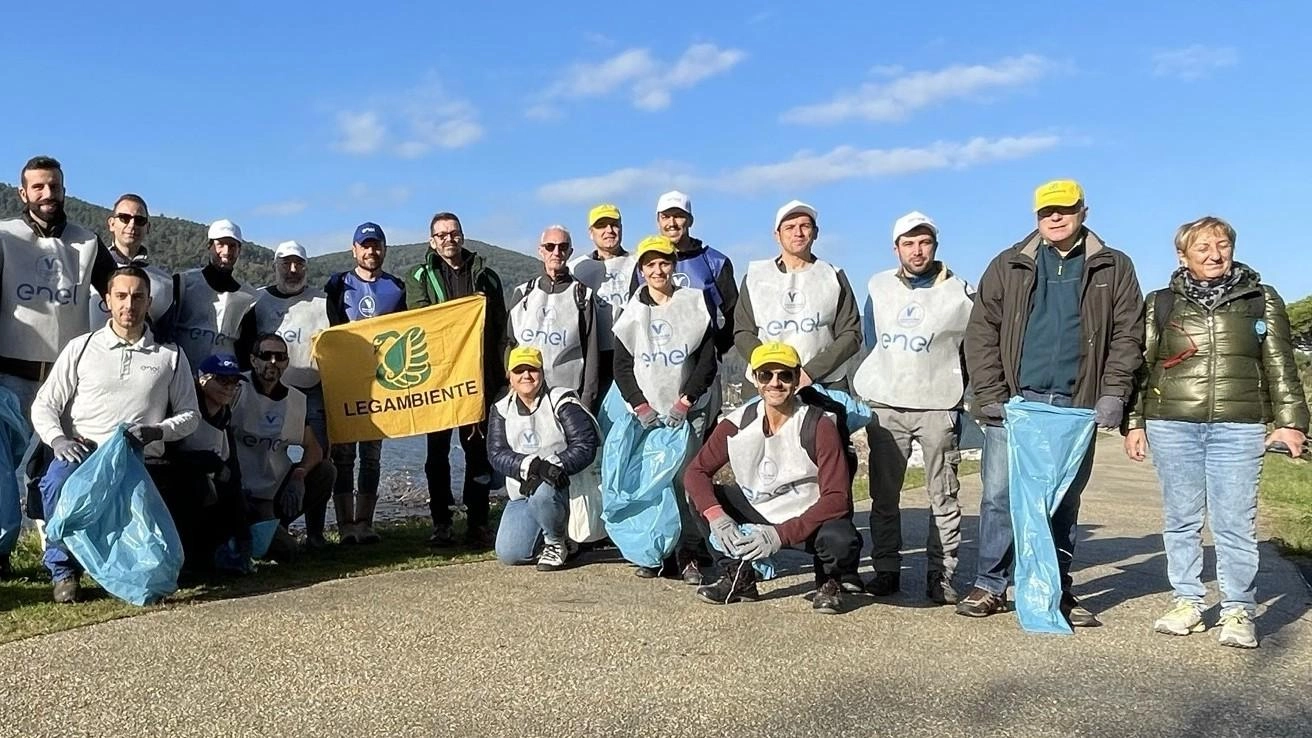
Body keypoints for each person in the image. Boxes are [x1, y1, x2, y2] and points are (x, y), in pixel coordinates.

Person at [961, 179, 1143, 626]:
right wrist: (989, 394)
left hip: (1076, 405)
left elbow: (1128, 335)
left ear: (1084, 210)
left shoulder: (1113, 266)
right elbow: (981, 332)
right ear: (1036, 217)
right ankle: (990, 584)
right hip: (1016, 403)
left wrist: (1114, 394)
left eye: (1064, 209)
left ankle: (1057, 589)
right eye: (1046, 212)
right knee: (1000, 496)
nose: (1055, 218)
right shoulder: (1009, 264)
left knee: (1062, 499)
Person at [1124, 216, 1308, 649]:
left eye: (1221, 244)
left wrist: (1292, 423)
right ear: (1182, 255)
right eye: (1202, 247)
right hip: (1172, 421)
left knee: (1235, 522)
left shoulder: (1260, 299)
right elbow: (1142, 364)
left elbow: (1280, 363)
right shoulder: (1161, 302)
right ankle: (1187, 601)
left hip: (1239, 425)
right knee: (1181, 519)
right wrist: (1134, 422)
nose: (1214, 254)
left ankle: (1238, 610)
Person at [30, 266, 200, 602]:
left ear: (149, 301)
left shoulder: (170, 355)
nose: (129, 304)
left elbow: (191, 416)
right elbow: (44, 404)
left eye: (138, 296)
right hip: (86, 453)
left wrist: (158, 431)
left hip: (138, 458)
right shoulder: (82, 348)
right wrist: (58, 440)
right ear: (107, 300)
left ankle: (137, 573)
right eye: (121, 296)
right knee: (54, 483)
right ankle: (64, 572)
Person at [0, 156, 117, 577]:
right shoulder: (4, 237)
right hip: (10, 378)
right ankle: (1, 554)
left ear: (64, 188)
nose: (47, 195)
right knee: (0, 475)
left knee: (62, 471)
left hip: (68, 384)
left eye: (54, 186)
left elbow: (118, 292)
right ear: (23, 193)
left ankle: (65, 557)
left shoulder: (87, 243)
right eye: (38, 188)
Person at [851, 211, 975, 604]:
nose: (917, 250)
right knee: (884, 496)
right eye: (909, 243)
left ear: (935, 246)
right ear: (896, 248)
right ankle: (886, 569)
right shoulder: (879, 287)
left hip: (939, 405)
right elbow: (873, 340)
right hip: (888, 403)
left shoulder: (960, 291)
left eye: (924, 243)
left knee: (943, 495)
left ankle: (941, 574)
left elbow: (970, 348)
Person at [683, 342, 861, 614]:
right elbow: (696, 472)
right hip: (759, 507)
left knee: (841, 539)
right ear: (755, 379)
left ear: (796, 377)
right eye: (766, 375)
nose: (775, 383)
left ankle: (828, 581)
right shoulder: (738, 421)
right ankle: (738, 576)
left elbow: (837, 498)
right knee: (700, 496)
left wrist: (780, 535)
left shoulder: (819, 425)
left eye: (784, 375)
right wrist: (717, 517)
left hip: (805, 514)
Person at [612, 235, 718, 581]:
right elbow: (622, 365)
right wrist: (639, 405)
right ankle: (655, 551)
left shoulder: (693, 302)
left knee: (685, 481)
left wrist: (686, 400)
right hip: (647, 415)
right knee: (651, 483)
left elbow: (706, 360)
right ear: (641, 270)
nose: (658, 270)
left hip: (686, 410)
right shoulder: (632, 311)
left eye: (664, 263)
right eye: (650, 264)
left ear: (673, 265)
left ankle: (688, 552)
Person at [406, 211, 508, 549]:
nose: (449, 239)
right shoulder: (419, 276)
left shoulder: (487, 277)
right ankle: (441, 522)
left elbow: (500, 330)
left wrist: (502, 376)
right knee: (436, 454)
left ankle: (478, 522)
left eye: (454, 233)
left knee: (477, 453)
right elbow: (421, 322)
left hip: (478, 380)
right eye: (442, 235)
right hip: (437, 382)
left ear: (462, 236)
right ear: (432, 241)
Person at [324, 222, 406, 544]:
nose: (371, 251)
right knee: (343, 456)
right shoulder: (337, 284)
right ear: (354, 249)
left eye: (376, 245)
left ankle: (365, 524)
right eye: (365, 245)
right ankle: (345, 527)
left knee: (371, 457)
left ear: (384, 248)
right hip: (344, 383)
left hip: (380, 385)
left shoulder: (396, 288)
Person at [487, 347, 600, 570]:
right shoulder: (501, 409)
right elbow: (496, 453)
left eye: (532, 369)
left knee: (544, 493)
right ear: (510, 375)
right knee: (511, 553)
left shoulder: (562, 400)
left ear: (542, 372)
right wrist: (534, 466)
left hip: (564, 485)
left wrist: (555, 466)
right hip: (523, 490)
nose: (526, 376)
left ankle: (556, 542)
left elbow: (586, 444)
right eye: (519, 370)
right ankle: (565, 537)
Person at [734, 200, 861, 391]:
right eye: (790, 227)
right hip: (768, 383)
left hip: (825, 383)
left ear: (815, 233)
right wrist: (771, 368)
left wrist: (810, 372)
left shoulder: (833, 276)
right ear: (777, 235)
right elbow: (743, 332)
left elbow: (851, 334)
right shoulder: (755, 277)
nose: (798, 233)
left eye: (805, 226)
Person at [636, 191, 738, 430]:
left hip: (700, 372)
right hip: (657, 368)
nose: (672, 223)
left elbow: (735, 314)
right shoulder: (643, 264)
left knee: (702, 437)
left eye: (679, 216)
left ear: (690, 220)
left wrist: (714, 348)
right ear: (658, 220)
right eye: (666, 217)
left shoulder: (714, 262)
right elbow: (635, 315)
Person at [232, 334, 336, 552]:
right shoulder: (235, 388)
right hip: (236, 491)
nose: (273, 362)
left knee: (327, 470)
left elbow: (314, 449)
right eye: (266, 356)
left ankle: (285, 526)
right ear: (253, 360)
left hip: (273, 491)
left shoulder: (296, 400)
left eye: (279, 357)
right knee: (279, 549)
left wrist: (299, 475)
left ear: (286, 363)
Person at [254, 240, 331, 531]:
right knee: (266, 455)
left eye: (299, 264)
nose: (293, 270)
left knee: (320, 458)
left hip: (312, 391)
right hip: (269, 392)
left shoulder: (323, 301)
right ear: (276, 266)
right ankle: (272, 523)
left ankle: (315, 533)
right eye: (286, 264)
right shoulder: (259, 301)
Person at [167, 353, 249, 575]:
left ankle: (230, 554)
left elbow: (233, 472)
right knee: (200, 487)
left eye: (234, 382)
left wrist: (243, 537)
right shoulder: (182, 410)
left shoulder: (225, 415)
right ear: (202, 379)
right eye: (222, 380)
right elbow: (166, 456)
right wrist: (208, 462)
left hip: (210, 488)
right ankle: (188, 561)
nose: (229, 387)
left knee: (233, 493)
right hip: (173, 487)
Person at [506, 225, 600, 409]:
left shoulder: (583, 295)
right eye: (550, 246)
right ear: (541, 251)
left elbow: (591, 353)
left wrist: (587, 400)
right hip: (525, 395)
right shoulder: (522, 294)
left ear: (570, 252)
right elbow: (509, 343)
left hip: (567, 398)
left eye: (563, 247)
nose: (556, 252)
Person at [168, 219, 259, 371]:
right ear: (209, 246)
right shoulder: (183, 283)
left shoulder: (248, 296)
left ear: (239, 250)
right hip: (183, 373)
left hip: (225, 379)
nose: (226, 251)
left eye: (232, 246)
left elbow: (247, 345)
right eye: (220, 244)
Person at [568, 203, 634, 405]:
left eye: (614, 225)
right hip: (592, 357)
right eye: (601, 226)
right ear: (591, 233)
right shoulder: (577, 268)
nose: (609, 231)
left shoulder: (639, 263)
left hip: (630, 356)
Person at [90, 193, 173, 326]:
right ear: (111, 223)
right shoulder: (88, 269)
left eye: (139, 220)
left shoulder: (166, 283)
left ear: (148, 228)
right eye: (124, 218)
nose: (132, 225)